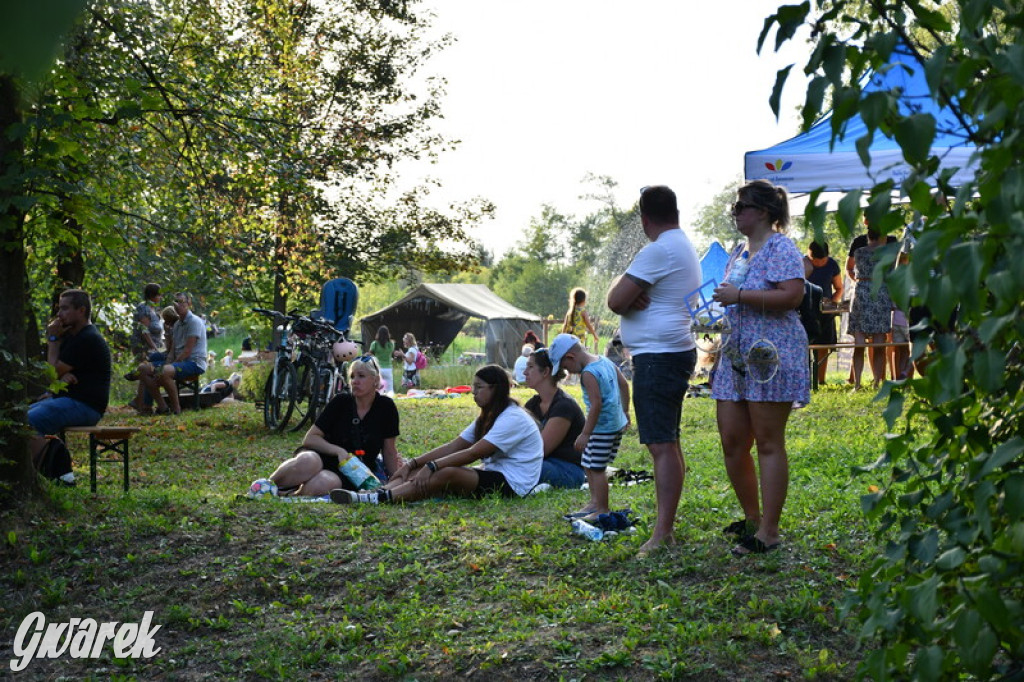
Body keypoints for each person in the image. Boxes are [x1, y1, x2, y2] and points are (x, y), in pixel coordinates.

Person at [710, 180, 809, 556]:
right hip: (736, 356)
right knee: (733, 442)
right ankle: (751, 518)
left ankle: (769, 532)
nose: (735, 213)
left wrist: (740, 296)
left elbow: (792, 295)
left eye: (741, 207)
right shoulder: (739, 251)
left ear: (764, 211)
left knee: (768, 443)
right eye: (734, 207)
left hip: (772, 356)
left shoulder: (781, 246)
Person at [606, 185, 701, 556]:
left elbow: (615, 301)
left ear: (645, 219)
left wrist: (626, 293)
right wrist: (629, 291)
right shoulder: (679, 245)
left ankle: (663, 534)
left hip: (659, 356)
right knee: (668, 442)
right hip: (669, 352)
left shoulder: (658, 250)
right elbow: (622, 297)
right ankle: (666, 527)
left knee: (661, 445)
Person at [331, 365, 542, 504]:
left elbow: (473, 453)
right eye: (472, 387)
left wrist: (433, 466)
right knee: (427, 471)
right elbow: (454, 446)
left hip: (515, 485)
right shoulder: (488, 416)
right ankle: (373, 493)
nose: (473, 392)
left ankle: (382, 499)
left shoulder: (512, 417)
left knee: (446, 472)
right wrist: (413, 464)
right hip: (493, 472)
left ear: (495, 389)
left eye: (479, 387)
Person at [269, 356, 400, 496]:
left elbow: (389, 451)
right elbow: (310, 438)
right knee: (308, 462)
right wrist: (338, 451)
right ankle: (265, 485)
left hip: (353, 470)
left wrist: (397, 481)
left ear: (375, 380)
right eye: (352, 376)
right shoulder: (341, 401)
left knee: (324, 483)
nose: (355, 381)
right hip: (321, 456)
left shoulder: (386, 407)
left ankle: (289, 495)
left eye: (361, 376)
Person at [28, 289, 112, 483]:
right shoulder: (73, 337)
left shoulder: (87, 338)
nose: (59, 314)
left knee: (27, 422)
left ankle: (60, 473)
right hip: (68, 400)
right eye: (59, 308)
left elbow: (51, 373)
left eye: (65, 309)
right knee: (16, 419)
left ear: (81, 310)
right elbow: (56, 376)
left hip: (86, 407)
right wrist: (53, 388)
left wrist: (53, 340)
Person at [547, 333, 630, 517]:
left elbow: (596, 404)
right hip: (613, 425)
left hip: (602, 429)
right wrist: (625, 411)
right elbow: (623, 384)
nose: (567, 371)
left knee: (596, 468)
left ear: (570, 357)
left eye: (565, 366)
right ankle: (594, 503)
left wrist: (585, 433)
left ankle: (602, 510)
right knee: (587, 461)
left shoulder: (588, 374)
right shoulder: (605, 361)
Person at [522, 348, 586, 489]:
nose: (524, 372)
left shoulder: (564, 406)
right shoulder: (533, 404)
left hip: (567, 470)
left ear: (545, 372)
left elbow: (541, 450)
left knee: (515, 468)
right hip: (542, 464)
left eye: (530, 367)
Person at [138, 292, 207, 414]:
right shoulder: (177, 325)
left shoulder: (194, 322)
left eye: (181, 302)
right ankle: (163, 407)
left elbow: (187, 351)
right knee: (143, 368)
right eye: (176, 302)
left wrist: (169, 366)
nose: (178, 305)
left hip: (194, 363)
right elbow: (172, 351)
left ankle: (176, 409)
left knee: (163, 371)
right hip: (179, 362)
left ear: (189, 303)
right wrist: (168, 363)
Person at [847, 228, 894, 388]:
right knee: (879, 340)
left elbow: (851, 269)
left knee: (859, 341)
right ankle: (876, 381)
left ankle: (857, 383)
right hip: (880, 291)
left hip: (861, 291)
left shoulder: (859, 252)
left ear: (868, 236)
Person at [804, 241, 844, 385]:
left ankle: (821, 380)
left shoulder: (832, 265)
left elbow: (839, 288)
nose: (820, 263)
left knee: (824, 345)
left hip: (825, 313)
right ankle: (806, 380)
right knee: (805, 345)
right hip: (805, 312)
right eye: (816, 261)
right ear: (810, 255)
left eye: (823, 260)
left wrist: (832, 302)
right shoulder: (802, 264)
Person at [129, 283, 163, 361]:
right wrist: (154, 347)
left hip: (153, 348)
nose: (161, 297)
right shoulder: (144, 308)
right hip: (145, 348)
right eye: (159, 295)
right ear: (152, 295)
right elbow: (144, 331)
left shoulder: (154, 309)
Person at [369, 325, 396, 394]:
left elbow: (370, 354)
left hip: (378, 368)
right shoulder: (391, 344)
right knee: (389, 388)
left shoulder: (374, 344)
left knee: (379, 388)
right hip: (388, 368)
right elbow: (391, 353)